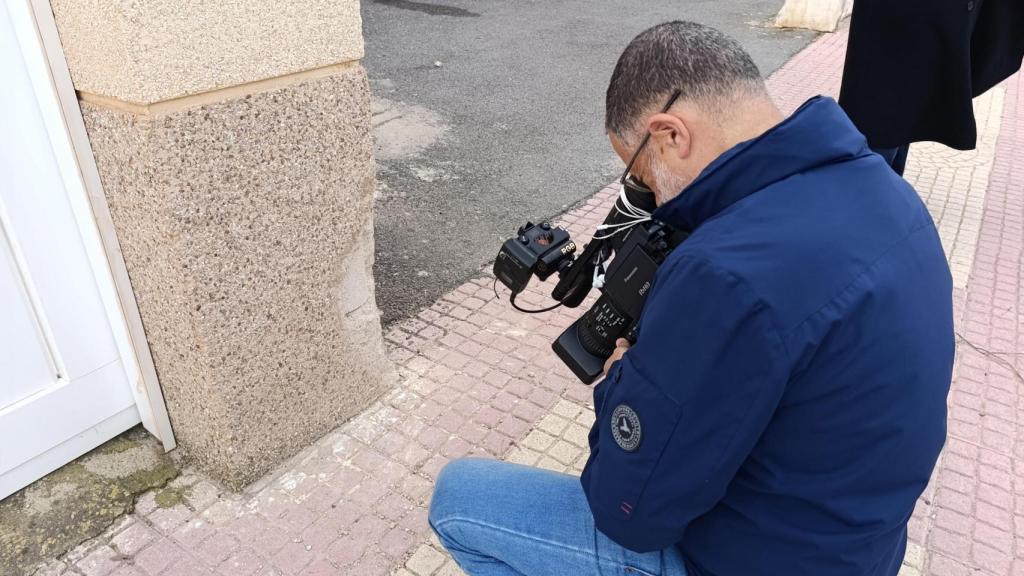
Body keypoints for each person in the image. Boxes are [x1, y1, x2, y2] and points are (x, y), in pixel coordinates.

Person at [429, 21, 955, 576]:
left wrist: (622, 380)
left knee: (459, 502)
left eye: (640, 175)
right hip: (855, 548)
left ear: (670, 134)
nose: (650, 197)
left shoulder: (724, 271)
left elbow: (629, 514)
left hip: (748, 559)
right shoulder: (890, 193)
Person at [840, 0, 1024, 175]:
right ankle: (875, 195)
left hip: (913, 30)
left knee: (891, 126)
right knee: (881, 129)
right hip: (902, 30)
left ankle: (878, 194)